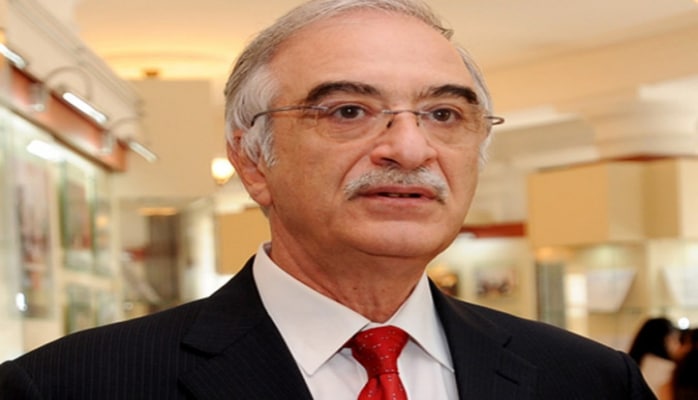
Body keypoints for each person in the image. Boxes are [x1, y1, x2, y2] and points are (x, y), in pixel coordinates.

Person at [0, 0, 656, 398]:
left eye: (444, 115)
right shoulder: (69, 386)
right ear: (251, 160)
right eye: (348, 111)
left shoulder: (591, 381)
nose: (410, 148)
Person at [628, 317, 683, 395]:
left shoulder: (631, 365)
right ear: (664, 340)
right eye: (674, 339)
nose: (678, 345)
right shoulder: (669, 369)